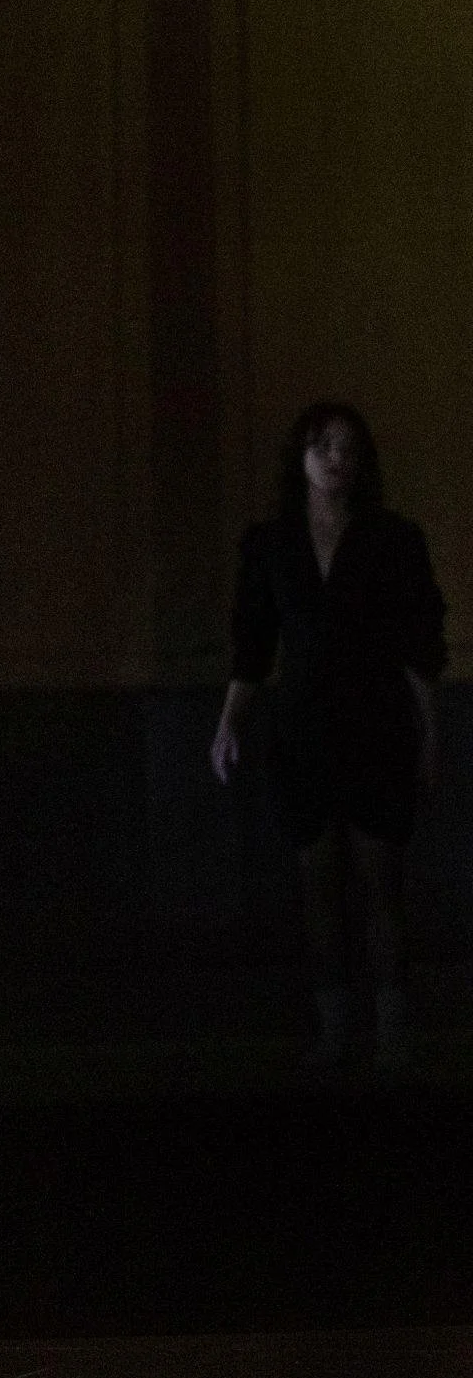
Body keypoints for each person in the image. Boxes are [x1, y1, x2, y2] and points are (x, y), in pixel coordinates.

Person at [211, 403, 445, 1068]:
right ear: (301, 457)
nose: (336, 458)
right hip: (304, 728)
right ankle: (334, 1028)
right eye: (323, 446)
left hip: (375, 725)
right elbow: (253, 646)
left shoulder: (394, 540)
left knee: (380, 880)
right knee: (317, 881)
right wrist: (228, 723)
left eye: (348, 447)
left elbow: (419, 645)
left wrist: (432, 738)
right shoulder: (271, 543)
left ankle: (394, 1029)